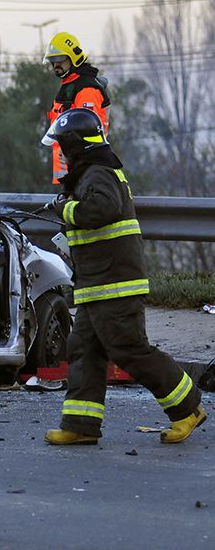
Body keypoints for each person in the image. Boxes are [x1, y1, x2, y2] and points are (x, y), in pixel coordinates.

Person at [42, 108, 206, 445]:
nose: (60, 153)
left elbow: (99, 211)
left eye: (62, 146)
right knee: (84, 349)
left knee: (129, 349)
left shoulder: (99, 173)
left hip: (114, 284)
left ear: (76, 145)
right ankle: (81, 425)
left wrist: (64, 208)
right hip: (97, 285)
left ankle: (187, 408)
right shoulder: (89, 174)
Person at [44, 31, 111, 184]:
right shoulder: (69, 85)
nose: (55, 65)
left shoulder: (86, 89)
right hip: (72, 170)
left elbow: (86, 131)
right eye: (52, 61)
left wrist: (77, 170)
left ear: (73, 59)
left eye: (60, 60)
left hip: (84, 168)